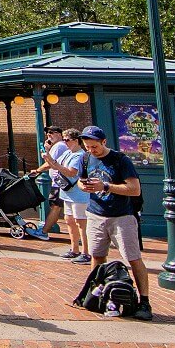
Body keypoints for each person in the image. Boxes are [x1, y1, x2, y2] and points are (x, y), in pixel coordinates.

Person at [75, 126, 151, 321]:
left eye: (94, 146)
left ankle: (144, 301)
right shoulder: (85, 158)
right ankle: (94, 293)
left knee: (132, 258)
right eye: (88, 146)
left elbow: (134, 189)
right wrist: (83, 185)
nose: (91, 150)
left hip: (121, 216)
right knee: (97, 256)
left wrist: (105, 186)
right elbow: (80, 180)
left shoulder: (120, 160)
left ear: (104, 142)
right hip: (95, 215)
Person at [46, 129, 91, 264]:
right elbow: (54, 164)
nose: (64, 143)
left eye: (67, 140)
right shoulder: (67, 153)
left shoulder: (79, 156)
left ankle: (86, 252)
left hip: (79, 194)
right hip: (66, 192)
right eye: (63, 140)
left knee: (81, 222)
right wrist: (48, 155)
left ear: (76, 141)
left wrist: (56, 165)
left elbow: (71, 173)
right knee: (69, 221)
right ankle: (74, 249)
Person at [32, 128, 68, 237]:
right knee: (58, 207)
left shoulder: (59, 146)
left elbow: (49, 163)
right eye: (47, 133)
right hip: (59, 182)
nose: (49, 135)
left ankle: (44, 231)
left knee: (56, 207)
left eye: (52, 133)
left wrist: (38, 170)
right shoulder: (57, 146)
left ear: (60, 135)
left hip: (60, 182)